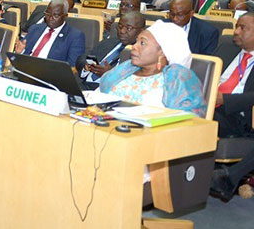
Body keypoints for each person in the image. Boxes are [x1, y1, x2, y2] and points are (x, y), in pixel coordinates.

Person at [99, 20, 206, 115]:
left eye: (142, 43)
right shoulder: (127, 68)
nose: (134, 46)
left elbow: (188, 122)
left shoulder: (178, 77)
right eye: (136, 41)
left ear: (163, 52)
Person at [211, 12, 254, 201]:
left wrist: (225, 100)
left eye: (243, 28)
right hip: (211, 105)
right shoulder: (226, 48)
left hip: (240, 116)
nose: (236, 31)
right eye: (237, 26)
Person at [77, 10, 145, 89]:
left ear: (141, 31)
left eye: (129, 28)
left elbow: (134, 82)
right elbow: (83, 57)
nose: (122, 31)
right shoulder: (109, 42)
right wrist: (86, 65)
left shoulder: (141, 54)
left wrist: (111, 74)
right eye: (120, 26)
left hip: (107, 92)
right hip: (83, 87)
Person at [15, 0, 85, 66]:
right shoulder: (35, 28)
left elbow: (73, 66)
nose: (50, 18)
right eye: (48, 14)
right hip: (25, 69)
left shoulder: (75, 36)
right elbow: (22, 53)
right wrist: (20, 52)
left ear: (65, 16)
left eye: (56, 16)